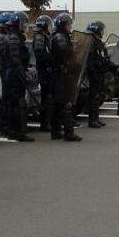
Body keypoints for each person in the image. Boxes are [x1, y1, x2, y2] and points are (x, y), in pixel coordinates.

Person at [50, 13, 82, 142]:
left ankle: (56, 132)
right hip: (61, 75)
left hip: (59, 75)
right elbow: (66, 54)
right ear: (63, 25)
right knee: (66, 104)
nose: (70, 26)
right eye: (69, 24)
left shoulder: (59, 36)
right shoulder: (60, 38)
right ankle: (69, 133)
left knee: (57, 105)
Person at [5, 11, 34, 142]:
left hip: (14, 73)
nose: (26, 25)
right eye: (24, 23)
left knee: (15, 104)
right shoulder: (14, 38)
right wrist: (24, 75)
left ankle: (14, 132)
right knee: (19, 103)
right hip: (15, 74)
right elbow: (16, 59)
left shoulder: (14, 37)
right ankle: (20, 133)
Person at [86, 21, 116, 128]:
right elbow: (90, 61)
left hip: (100, 73)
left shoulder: (98, 42)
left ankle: (96, 118)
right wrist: (93, 73)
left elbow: (104, 58)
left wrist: (113, 66)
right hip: (95, 74)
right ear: (96, 30)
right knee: (94, 97)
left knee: (98, 97)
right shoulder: (91, 42)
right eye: (101, 30)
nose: (103, 32)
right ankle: (92, 120)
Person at [33, 15, 54, 132]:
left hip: (47, 71)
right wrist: (51, 61)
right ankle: (45, 124)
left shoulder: (45, 37)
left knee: (48, 99)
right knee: (46, 99)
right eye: (49, 25)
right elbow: (40, 54)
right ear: (44, 26)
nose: (51, 28)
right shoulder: (40, 38)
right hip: (44, 72)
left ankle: (46, 123)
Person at [0, 12, 12, 137]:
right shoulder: (2, 37)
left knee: (9, 101)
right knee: (7, 101)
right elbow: (4, 54)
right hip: (5, 70)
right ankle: (5, 128)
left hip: (6, 69)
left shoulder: (5, 36)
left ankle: (7, 127)